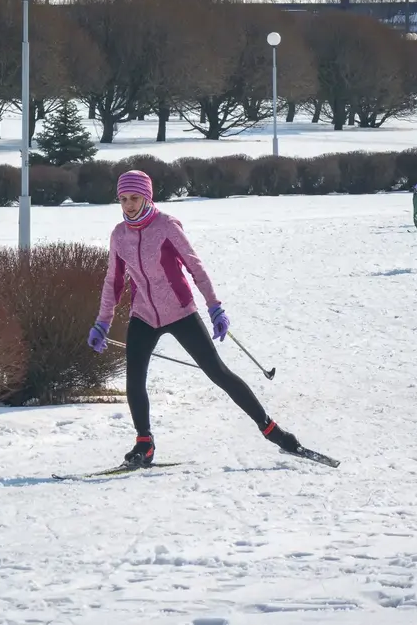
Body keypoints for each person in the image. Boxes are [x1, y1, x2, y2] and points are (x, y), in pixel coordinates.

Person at [86, 169, 302, 467]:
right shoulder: (119, 235)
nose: (129, 205)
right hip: (144, 315)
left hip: (180, 312)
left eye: (135, 198)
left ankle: (273, 431)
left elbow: (194, 267)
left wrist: (214, 306)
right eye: (123, 199)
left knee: (218, 373)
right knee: (134, 381)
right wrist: (102, 322)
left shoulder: (166, 226)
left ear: (147, 197)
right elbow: (113, 281)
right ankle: (143, 443)